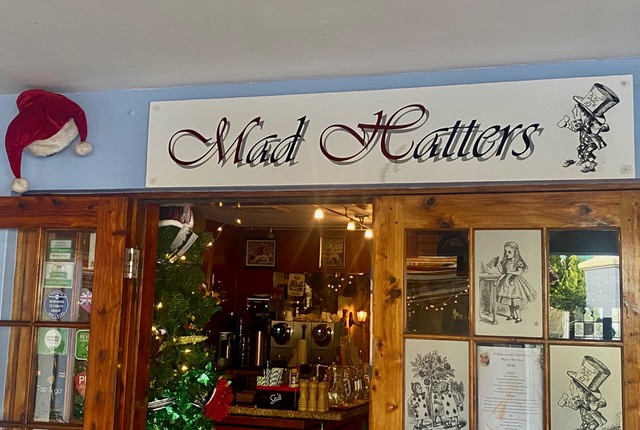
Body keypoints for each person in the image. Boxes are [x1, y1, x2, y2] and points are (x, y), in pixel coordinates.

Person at [487, 241, 536, 323]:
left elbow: (519, 272)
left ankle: (518, 317)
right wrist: (498, 264)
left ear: (515, 252)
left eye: (509, 252)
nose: (507, 254)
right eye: (506, 251)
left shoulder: (518, 262)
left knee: (515, 301)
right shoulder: (506, 261)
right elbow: (503, 272)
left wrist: (511, 272)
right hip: (506, 282)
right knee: (509, 301)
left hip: (515, 282)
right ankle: (512, 315)